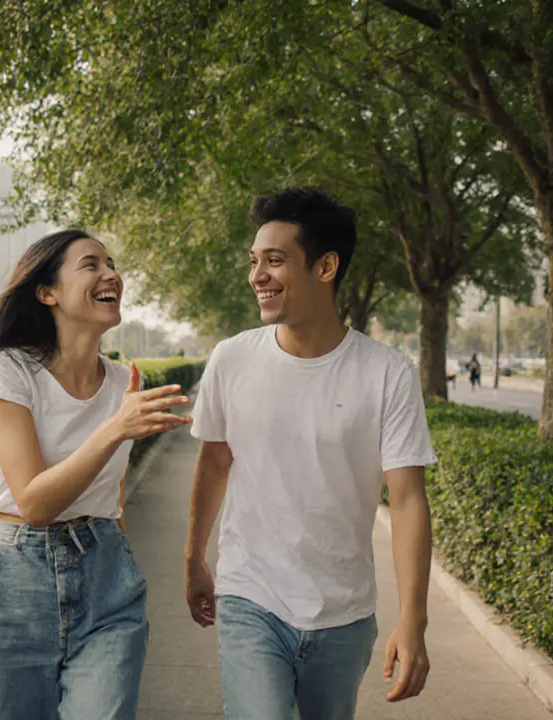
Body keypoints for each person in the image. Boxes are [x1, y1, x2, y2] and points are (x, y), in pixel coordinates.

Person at [184, 188, 438, 719]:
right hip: (250, 594)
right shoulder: (231, 359)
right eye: (254, 261)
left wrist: (413, 619)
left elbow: (408, 499)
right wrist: (194, 557)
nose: (257, 276)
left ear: (325, 267)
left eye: (274, 261)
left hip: (343, 612)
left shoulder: (388, 373)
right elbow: (214, 463)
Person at [0, 229, 192, 719]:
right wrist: (115, 429)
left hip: (106, 584)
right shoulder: (11, 370)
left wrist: (114, 556)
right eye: (91, 265)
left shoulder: (126, 382)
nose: (111, 274)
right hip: (12, 585)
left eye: (111, 264)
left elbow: (111, 491)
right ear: (48, 293)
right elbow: (35, 503)